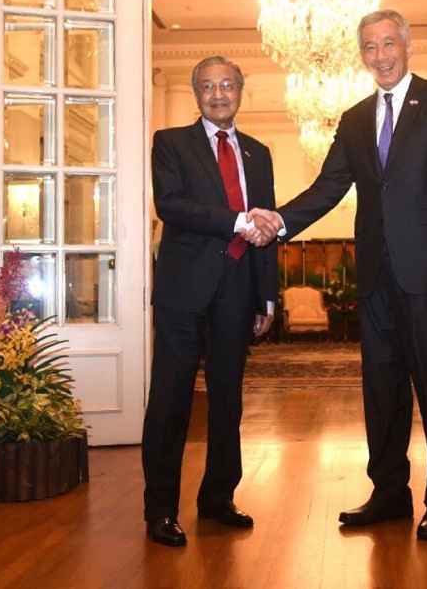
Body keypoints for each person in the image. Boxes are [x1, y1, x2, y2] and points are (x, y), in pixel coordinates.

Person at [247, 9, 427, 541]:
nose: (381, 56)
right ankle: (390, 492)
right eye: (370, 48)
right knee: (382, 387)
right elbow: (328, 188)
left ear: (407, 44)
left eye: (389, 44)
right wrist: (279, 220)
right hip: (375, 273)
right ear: (362, 55)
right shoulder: (353, 119)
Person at [142, 57, 277, 547]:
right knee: (170, 400)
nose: (217, 94)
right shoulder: (171, 143)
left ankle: (218, 498)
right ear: (195, 94)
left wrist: (266, 295)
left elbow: (270, 228)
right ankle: (160, 509)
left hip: (238, 290)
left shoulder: (259, 154)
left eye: (226, 85)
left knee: (227, 400)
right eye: (207, 87)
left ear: (241, 90)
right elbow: (171, 204)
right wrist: (237, 221)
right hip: (183, 289)